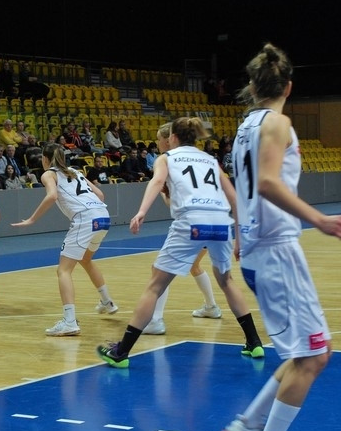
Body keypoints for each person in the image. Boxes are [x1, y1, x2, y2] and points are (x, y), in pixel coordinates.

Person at [222, 43, 341, 431]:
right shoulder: (278, 122)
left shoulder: (245, 126)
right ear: (289, 87)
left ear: (254, 87)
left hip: (260, 248)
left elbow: (247, 186)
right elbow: (268, 182)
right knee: (315, 356)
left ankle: (248, 427)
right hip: (276, 250)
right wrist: (317, 219)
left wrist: (242, 232)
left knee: (307, 353)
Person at [96, 116, 265, 366]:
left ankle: (121, 352)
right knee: (227, 281)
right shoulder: (210, 160)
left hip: (191, 222)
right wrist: (239, 237)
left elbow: (156, 181)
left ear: (172, 138)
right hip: (221, 222)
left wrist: (141, 211)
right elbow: (234, 198)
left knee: (155, 285)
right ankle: (254, 343)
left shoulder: (167, 158)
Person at [12, 143, 117, 336]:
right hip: (103, 216)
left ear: (45, 159)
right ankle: (107, 302)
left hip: (85, 218)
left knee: (64, 270)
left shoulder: (48, 174)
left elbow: (52, 196)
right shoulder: (76, 171)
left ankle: (69, 321)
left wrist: (32, 219)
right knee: (85, 259)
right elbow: (101, 195)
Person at [140, 123, 227, 337]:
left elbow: (173, 203)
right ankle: (211, 306)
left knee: (159, 270)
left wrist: (150, 202)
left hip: (195, 220)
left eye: (160, 138)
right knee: (196, 266)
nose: (158, 142)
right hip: (216, 217)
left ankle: (156, 319)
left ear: (169, 139)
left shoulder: (170, 161)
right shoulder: (200, 159)